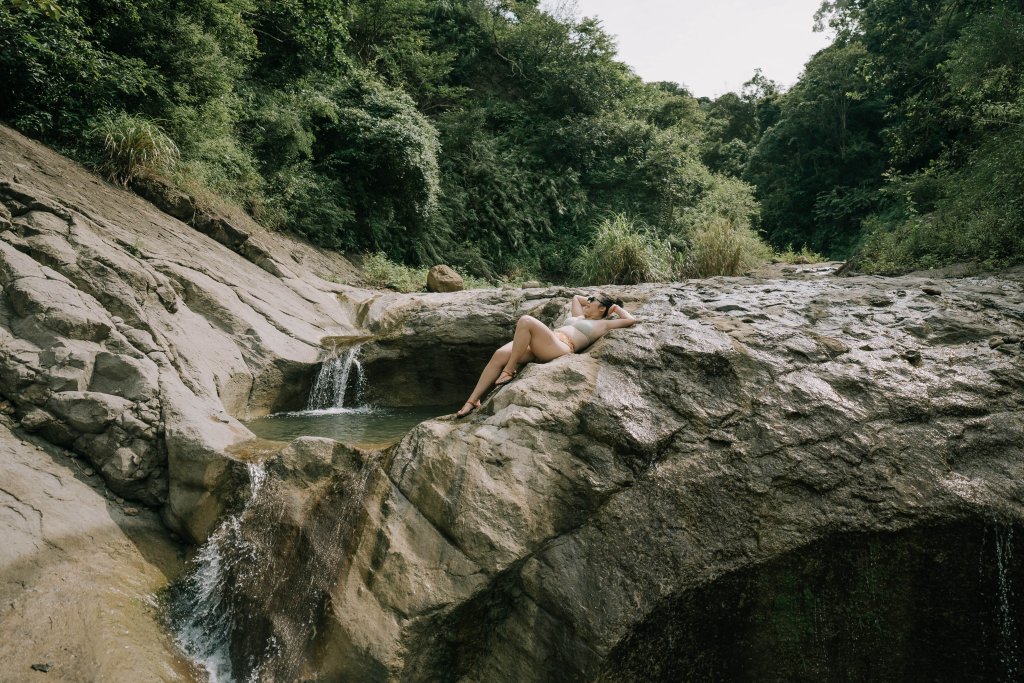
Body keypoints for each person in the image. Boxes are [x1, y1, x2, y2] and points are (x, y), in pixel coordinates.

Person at [456, 293, 636, 417]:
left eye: (593, 301)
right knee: (498, 354)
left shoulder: (603, 325)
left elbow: (630, 320)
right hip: (545, 344)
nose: (588, 301)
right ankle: (472, 401)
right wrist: (593, 299)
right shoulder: (579, 316)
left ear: (602, 308)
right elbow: (576, 298)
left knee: (526, 321)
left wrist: (614, 308)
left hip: (562, 346)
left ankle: (510, 369)